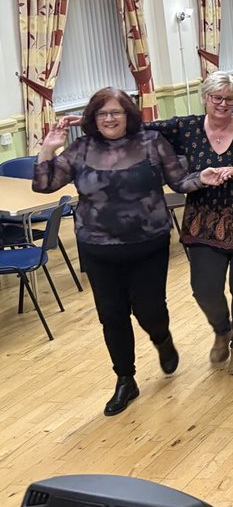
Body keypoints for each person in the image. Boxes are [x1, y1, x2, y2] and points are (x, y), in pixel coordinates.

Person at [32, 89, 222, 416]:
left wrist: (202, 178)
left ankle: (161, 339)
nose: (109, 119)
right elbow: (44, 184)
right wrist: (48, 147)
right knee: (112, 315)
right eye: (103, 113)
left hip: (148, 244)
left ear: (128, 115)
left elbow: (179, 183)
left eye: (116, 112)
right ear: (93, 118)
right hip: (98, 247)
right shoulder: (80, 149)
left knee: (149, 310)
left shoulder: (151, 143)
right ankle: (125, 378)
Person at [149, 71, 233, 375]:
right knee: (203, 288)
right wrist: (92, 122)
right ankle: (222, 330)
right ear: (205, 97)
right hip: (204, 224)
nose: (222, 103)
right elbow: (143, 128)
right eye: (216, 97)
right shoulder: (186, 127)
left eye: (229, 98)